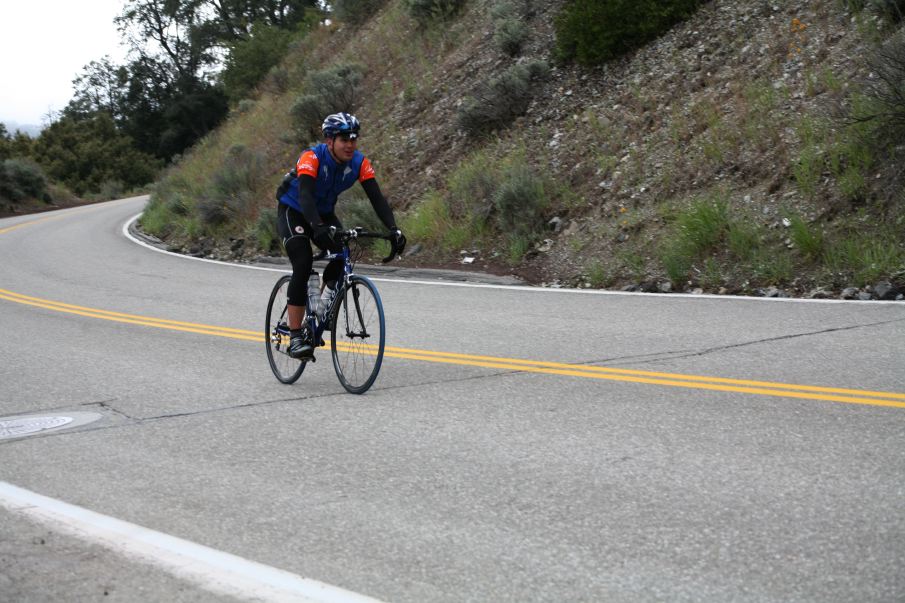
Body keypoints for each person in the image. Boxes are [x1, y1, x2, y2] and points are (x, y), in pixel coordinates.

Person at [276, 112, 405, 359]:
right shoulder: (311, 158)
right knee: (302, 263)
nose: (350, 144)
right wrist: (317, 226)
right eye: (344, 139)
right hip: (293, 211)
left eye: (353, 139)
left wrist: (393, 229)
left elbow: (377, 198)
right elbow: (304, 195)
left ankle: (319, 310)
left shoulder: (359, 163)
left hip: (322, 215)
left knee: (341, 255)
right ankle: (294, 337)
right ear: (329, 141)